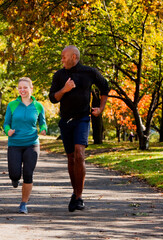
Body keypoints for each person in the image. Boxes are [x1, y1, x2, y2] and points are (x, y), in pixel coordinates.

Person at [49, 45, 110, 212]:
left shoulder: (89, 72)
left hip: (83, 119)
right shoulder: (59, 75)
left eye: (63, 56)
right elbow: (52, 98)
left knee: (79, 154)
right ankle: (75, 193)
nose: (61, 59)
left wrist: (101, 108)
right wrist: (65, 89)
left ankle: (78, 196)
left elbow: (105, 87)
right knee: (71, 158)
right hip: (65, 121)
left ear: (74, 57)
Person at [4, 77, 47, 214]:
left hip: (32, 144)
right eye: (20, 87)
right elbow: (6, 124)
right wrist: (8, 131)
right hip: (15, 143)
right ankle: (15, 179)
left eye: (25, 87)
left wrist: (43, 129)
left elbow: (43, 122)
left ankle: (23, 203)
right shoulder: (12, 105)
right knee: (15, 173)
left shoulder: (38, 106)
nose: (22, 90)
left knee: (28, 174)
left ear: (31, 89)